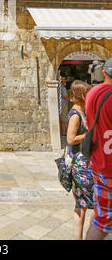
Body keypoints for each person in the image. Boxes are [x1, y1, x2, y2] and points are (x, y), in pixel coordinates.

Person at [85, 58, 112, 240]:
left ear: (103, 73)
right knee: (102, 224)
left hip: (98, 163)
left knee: (99, 218)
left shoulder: (92, 94)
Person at [65, 80, 94, 240]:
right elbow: (70, 139)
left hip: (82, 163)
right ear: (81, 95)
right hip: (80, 166)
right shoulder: (75, 115)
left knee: (81, 205)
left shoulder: (81, 111)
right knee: (97, 205)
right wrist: (88, 135)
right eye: (87, 92)